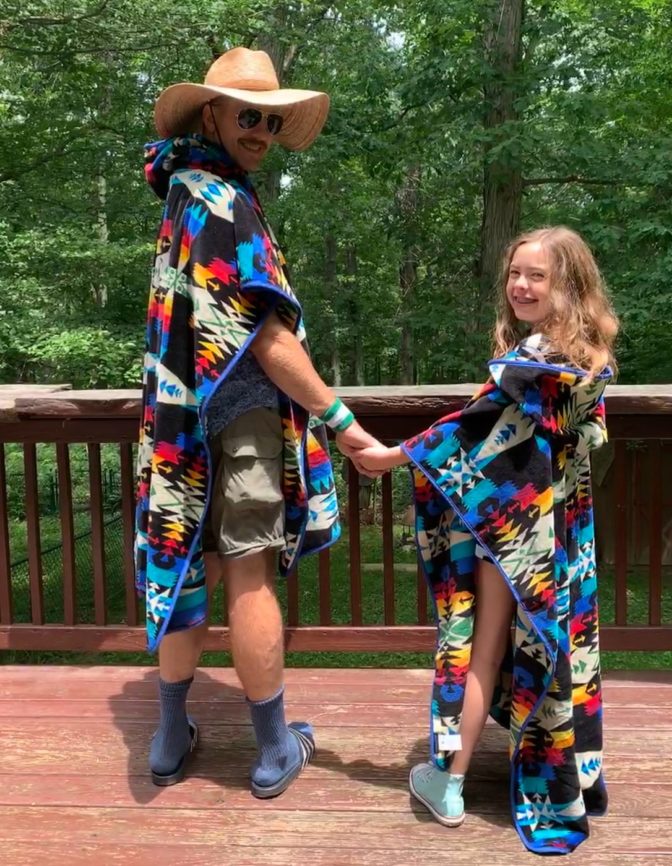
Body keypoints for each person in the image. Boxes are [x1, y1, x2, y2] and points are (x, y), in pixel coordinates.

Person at [134, 47, 378, 798]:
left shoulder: (184, 192)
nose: (262, 131)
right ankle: (275, 750)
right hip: (237, 421)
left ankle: (171, 737)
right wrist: (342, 421)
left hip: (176, 424)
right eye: (248, 116)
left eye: (271, 121)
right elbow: (268, 339)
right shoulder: (226, 204)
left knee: (184, 567)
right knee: (247, 576)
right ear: (210, 113)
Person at [356, 227, 618, 855]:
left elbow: (470, 430)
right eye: (514, 274)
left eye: (538, 276)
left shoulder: (536, 365)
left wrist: (392, 455)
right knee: (557, 649)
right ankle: (575, 773)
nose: (522, 286)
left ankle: (449, 781)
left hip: (513, 531)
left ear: (569, 285)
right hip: (556, 529)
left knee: (481, 646)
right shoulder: (589, 361)